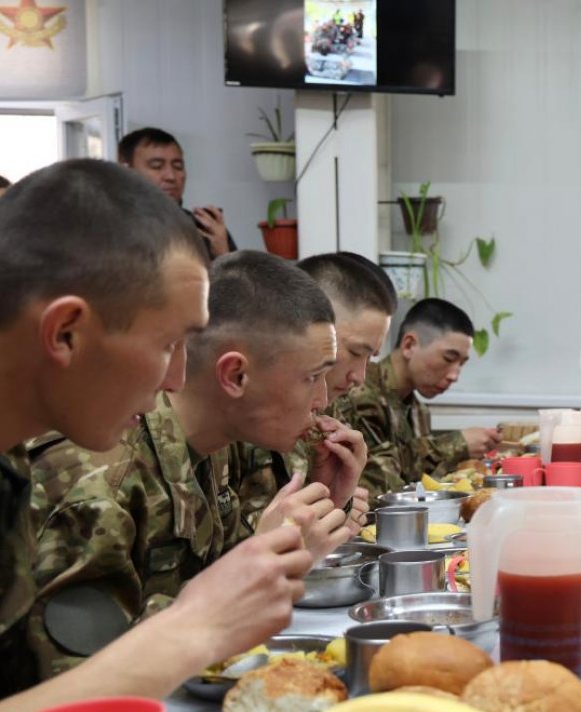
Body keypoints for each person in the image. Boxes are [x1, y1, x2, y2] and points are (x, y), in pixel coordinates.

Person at [0, 160, 309, 712]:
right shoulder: (81, 471)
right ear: (66, 332)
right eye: (168, 344)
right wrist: (192, 628)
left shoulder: (13, 459)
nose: (174, 381)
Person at [28, 251, 366, 679]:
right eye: (311, 377)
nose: (323, 400)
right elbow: (79, 685)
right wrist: (259, 559)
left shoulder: (218, 445)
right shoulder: (100, 487)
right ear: (236, 377)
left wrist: (321, 507)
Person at [238, 251, 401, 507]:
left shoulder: (327, 404)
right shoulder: (241, 402)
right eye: (356, 352)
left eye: (370, 358)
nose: (360, 377)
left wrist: (333, 499)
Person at [344, 298, 501, 484]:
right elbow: (381, 479)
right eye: (448, 358)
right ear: (409, 346)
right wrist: (456, 444)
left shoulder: (418, 410)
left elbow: (421, 481)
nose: (455, 375)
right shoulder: (359, 394)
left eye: (461, 363)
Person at [118, 127, 237, 262]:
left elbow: (238, 282)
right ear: (125, 172)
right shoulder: (107, 229)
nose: (171, 176)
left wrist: (223, 255)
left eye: (178, 167)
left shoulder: (205, 230)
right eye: (156, 166)